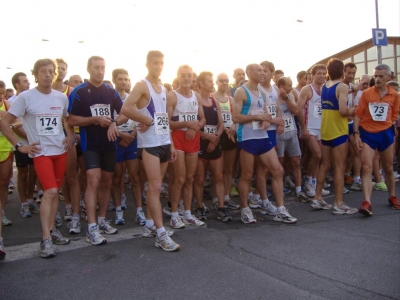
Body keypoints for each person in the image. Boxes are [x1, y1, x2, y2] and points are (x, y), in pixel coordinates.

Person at [1, 58, 74, 258]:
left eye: (51, 71)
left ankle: (52, 230)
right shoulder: (25, 97)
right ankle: (45, 239)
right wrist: (19, 146)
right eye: (43, 71)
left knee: (55, 192)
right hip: (40, 153)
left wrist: (70, 135)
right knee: (49, 191)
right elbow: (5, 123)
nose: (48, 74)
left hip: (60, 151)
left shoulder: (61, 98)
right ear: (36, 74)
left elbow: (67, 120)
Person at [121, 50, 179, 251]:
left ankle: (149, 224)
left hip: (163, 142)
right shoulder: (141, 85)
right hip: (150, 145)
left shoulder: (162, 87)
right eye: (155, 63)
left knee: (157, 187)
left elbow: (163, 118)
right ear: (147, 64)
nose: (159, 66)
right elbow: (126, 109)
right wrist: (145, 120)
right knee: (154, 188)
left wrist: (171, 143)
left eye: (161, 63)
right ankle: (161, 234)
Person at [68, 56, 125, 245]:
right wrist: (95, 120)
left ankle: (102, 220)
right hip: (90, 144)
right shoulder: (79, 92)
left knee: (107, 182)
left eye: (103, 67)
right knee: (93, 181)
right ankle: (91, 227)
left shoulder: (110, 91)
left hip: (109, 143)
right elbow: (72, 120)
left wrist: (114, 124)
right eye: (96, 68)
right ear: (88, 69)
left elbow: (124, 112)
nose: (100, 71)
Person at [232, 64, 297, 224]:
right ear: (249, 73)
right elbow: (236, 117)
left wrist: (269, 120)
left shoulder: (261, 92)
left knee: (277, 170)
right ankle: (245, 209)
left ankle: (281, 210)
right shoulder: (242, 91)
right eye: (258, 70)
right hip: (247, 137)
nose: (262, 73)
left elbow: (266, 113)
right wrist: (257, 118)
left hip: (262, 136)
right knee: (247, 175)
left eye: (263, 70)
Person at [311, 58, 357, 214]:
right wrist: (354, 111)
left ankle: (317, 198)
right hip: (338, 131)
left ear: (329, 72)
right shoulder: (342, 86)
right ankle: (338, 203)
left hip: (326, 130)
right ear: (343, 71)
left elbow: (334, 100)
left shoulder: (325, 86)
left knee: (324, 165)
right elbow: (343, 110)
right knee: (339, 167)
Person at [353, 64, 400, 215]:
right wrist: (355, 133)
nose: (377, 79)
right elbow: (358, 114)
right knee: (366, 167)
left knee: (388, 168)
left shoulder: (395, 95)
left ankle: (392, 196)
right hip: (367, 133)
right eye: (376, 76)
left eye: (380, 76)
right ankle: (367, 202)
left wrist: (389, 124)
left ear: (388, 77)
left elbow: (395, 114)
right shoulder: (366, 94)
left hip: (385, 133)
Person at [167, 65, 206, 228]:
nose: (187, 78)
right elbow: (167, 122)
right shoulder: (172, 96)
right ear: (178, 77)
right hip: (178, 138)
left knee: (190, 178)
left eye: (189, 75)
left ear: (193, 78)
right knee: (180, 178)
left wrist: (194, 127)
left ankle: (188, 212)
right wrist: (186, 124)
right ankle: (175, 214)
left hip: (193, 137)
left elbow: (203, 119)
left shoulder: (196, 95)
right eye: (183, 75)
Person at [193, 72, 232, 222]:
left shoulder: (214, 101)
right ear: (201, 84)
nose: (212, 84)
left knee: (219, 176)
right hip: (201, 143)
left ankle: (221, 207)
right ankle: (200, 206)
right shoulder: (196, 101)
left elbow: (221, 124)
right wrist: (208, 137)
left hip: (214, 142)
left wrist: (215, 138)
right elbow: (194, 125)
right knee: (200, 178)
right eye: (209, 81)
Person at [110, 68, 144, 226]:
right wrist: (120, 135)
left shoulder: (133, 98)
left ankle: (139, 211)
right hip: (116, 140)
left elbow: (139, 120)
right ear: (114, 80)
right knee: (116, 178)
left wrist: (132, 135)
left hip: (131, 140)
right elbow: (108, 122)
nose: (123, 81)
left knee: (135, 177)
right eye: (120, 79)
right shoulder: (110, 97)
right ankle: (118, 210)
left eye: (126, 79)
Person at [52, 58, 81, 232]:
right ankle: (58, 210)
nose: (60, 71)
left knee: (72, 177)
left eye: (63, 69)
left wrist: (72, 134)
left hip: (67, 138)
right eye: (58, 68)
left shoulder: (72, 92)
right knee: (56, 179)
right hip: (47, 141)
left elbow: (72, 117)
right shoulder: (38, 93)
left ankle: (74, 214)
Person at [9, 72, 39, 218]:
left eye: (28, 81)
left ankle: (29, 200)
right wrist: (27, 136)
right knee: (22, 174)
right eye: (25, 81)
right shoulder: (13, 100)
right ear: (17, 84)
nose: (28, 83)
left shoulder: (33, 98)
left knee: (33, 173)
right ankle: (23, 204)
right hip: (21, 144)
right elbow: (13, 125)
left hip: (34, 144)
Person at [297, 65, 330, 198]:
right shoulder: (307, 89)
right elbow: (298, 109)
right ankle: (308, 181)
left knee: (319, 157)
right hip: (309, 127)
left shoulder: (325, 89)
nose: (321, 76)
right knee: (317, 155)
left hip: (321, 128)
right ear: (313, 75)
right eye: (319, 74)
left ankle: (315, 182)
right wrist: (303, 127)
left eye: (324, 74)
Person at [276, 77, 308, 201]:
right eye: (289, 85)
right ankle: (280, 188)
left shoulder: (290, 96)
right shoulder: (273, 97)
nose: (291, 87)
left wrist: (286, 98)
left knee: (296, 161)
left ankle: (299, 189)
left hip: (292, 131)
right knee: (280, 162)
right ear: (281, 86)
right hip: (279, 134)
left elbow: (295, 110)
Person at [213, 73, 240, 210]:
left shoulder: (231, 99)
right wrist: (224, 129)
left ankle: (227, 196)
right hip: (219, 134)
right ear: (216, 82)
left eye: (226, 81)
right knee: (218, 170)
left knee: (229, 168)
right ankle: (216, 197)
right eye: (221, 81)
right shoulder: (213, 98)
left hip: (231, 134)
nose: (224, 83)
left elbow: (235, 117)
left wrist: (233, 127)